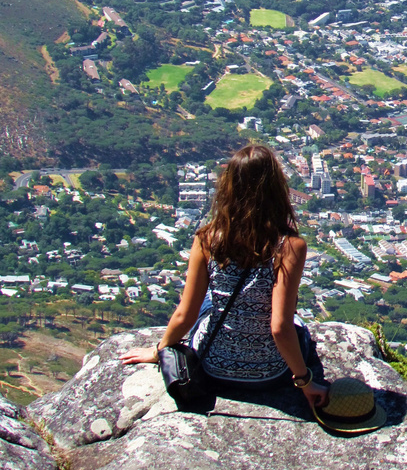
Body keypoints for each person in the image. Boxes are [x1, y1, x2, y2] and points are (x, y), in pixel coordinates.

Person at [121, 144, 329, 410]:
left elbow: (185, 313)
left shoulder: (207, 239)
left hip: (212, 368)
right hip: (269, 375)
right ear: (276, 188)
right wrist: (305, 381)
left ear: (230, 186)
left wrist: (159, 351)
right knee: (297, 322)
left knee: (209, 301)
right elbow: (279, 327)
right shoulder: (289, 247)